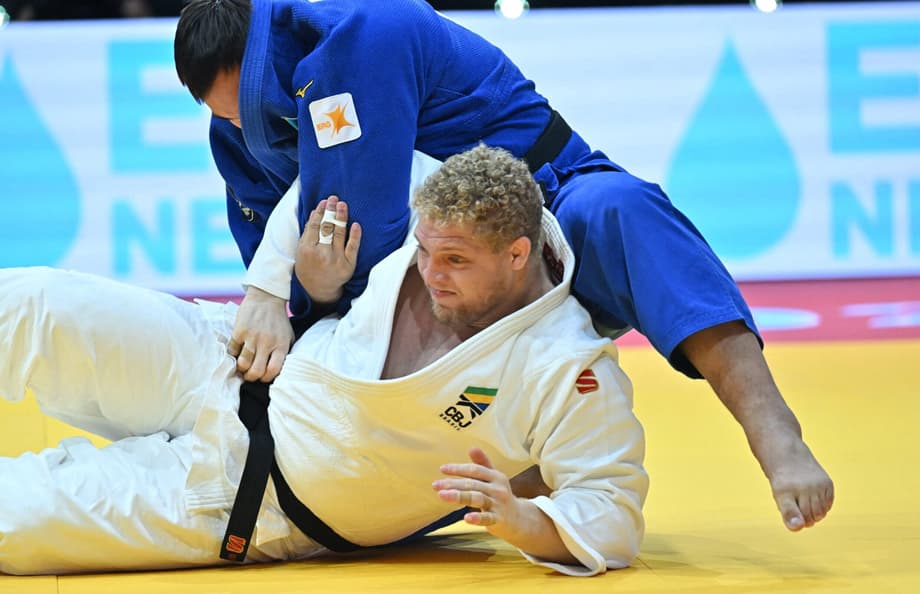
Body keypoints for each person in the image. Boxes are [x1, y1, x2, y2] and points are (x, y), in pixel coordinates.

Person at [172, 0, 833, 531]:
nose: (242, 125)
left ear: (268, 58)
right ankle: (513, 475)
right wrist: (295, 296)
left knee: (621, 208)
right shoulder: (233, 134)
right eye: (222, 115)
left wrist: (300, 284)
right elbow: (293, 283)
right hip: (428, 274)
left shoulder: (368, 32)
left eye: (250, 105)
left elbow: (366, 219)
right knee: (361, 338)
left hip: (547, 205)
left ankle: (774, 431)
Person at [0, 146, 646, 576]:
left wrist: (522, 519)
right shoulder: (421, 181)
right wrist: (269, 286)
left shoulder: (567, 366)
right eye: (424, 251)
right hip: (228, 357)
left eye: (454, 262)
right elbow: (330, 176)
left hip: (244, 499)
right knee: (32, 303)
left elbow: (613, 508)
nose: (431, 273)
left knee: (16, 521)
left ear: (517, 253)